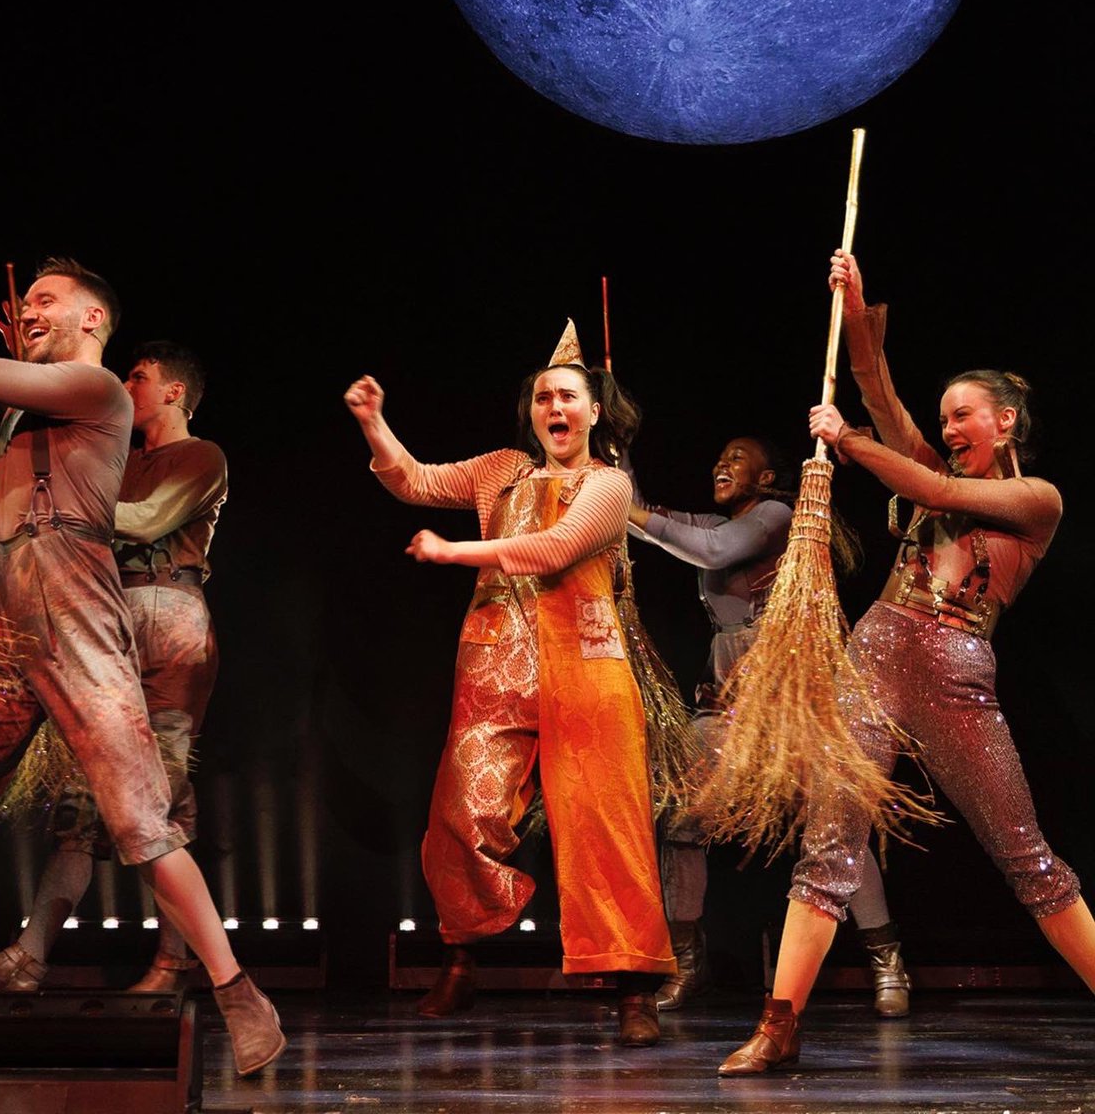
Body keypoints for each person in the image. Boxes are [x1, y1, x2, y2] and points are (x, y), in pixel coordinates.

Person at [0, 264, 282, 1077]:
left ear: (93, 316)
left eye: (45, 300)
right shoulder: (29, 396)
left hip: (75, 616)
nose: (27, 311)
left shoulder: (95, 388)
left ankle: (237, 990)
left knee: (140, 817)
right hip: (10, 623)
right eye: (25, 299)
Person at [719, 250, 1095, 1075]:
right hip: (876, 656)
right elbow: (878, 389)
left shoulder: (1038, 501)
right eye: (945, 419)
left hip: (958, 680)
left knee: (1029, 860)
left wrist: (847, 442)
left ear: (1006, 424)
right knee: (829, 846)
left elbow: (943, 498)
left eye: (964, 418)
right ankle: (778, 1024)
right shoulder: (929, 464)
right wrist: (853, 306)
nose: (950, 432)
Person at [343, 320, 676, 1048]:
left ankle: (632, 986)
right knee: (462, 811)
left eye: (567, 397)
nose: (554, 409)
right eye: (542, 399)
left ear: (594, 412)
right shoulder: (500, 470)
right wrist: (374, 423)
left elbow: (557, 547)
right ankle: (461, 956)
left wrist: (456, 549)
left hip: (587, 664)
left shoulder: (609, 484)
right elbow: (416, 480)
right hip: (496, 659)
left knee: (604, 824)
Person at [0, 339, 227, 994]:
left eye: (139, 376)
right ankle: (28, 958)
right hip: (102, 618)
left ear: (174, 392)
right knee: (83, 798)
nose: (124, 384)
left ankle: (173, 964)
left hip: (168, 617)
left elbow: (146, 519)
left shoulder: (201, 456)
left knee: (151, 798)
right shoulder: (113, 453)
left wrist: (61, 510)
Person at [627, 436, 911, 1016]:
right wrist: (611, 457)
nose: (721, 462)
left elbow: (710, 550)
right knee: (681, 820)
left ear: (766, 477)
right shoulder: (709, 521)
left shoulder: (777, 516)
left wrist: (628, 508)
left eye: (737, 456)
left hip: (794, 704)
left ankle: (886, 961)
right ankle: (687, 963)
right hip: (725, 705)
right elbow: (632, 508)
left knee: (837, 828)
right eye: (719, 454)